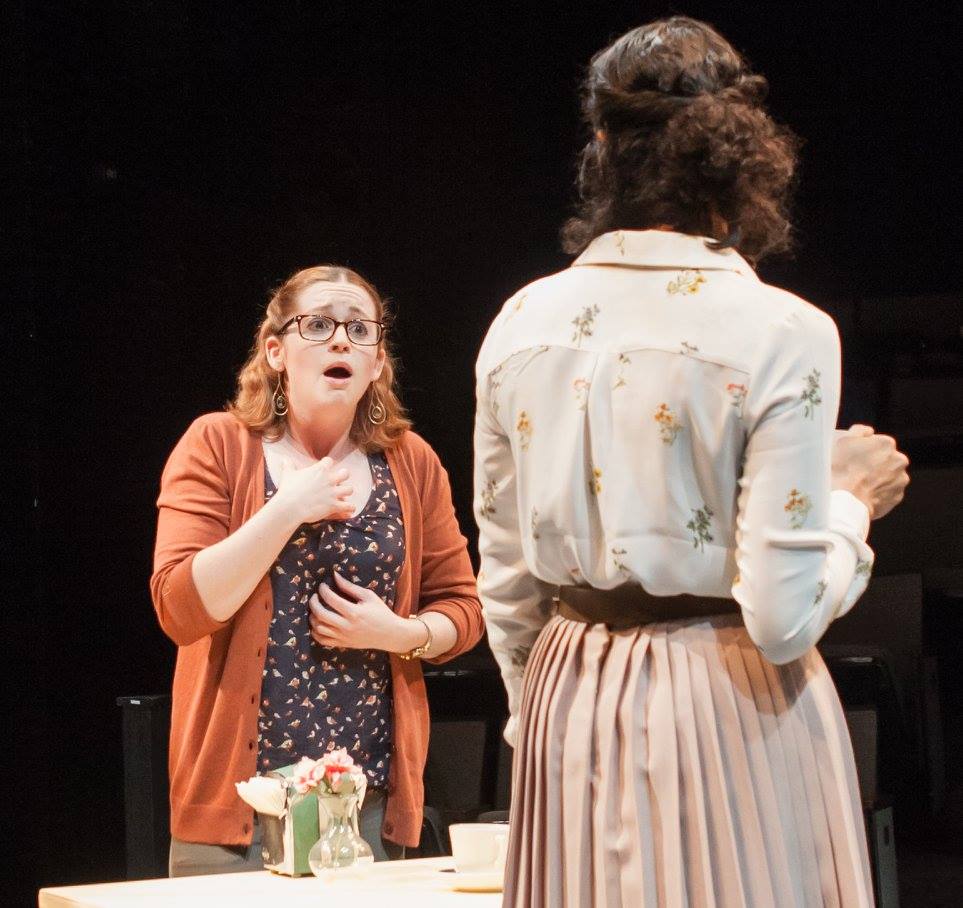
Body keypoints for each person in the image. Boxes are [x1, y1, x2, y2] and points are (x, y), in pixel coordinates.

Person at [474, 17, 910, 907]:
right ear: (740, 156)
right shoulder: (781, 329)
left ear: (601, 148)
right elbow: (781, 617)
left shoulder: (521, 319)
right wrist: (847, 500)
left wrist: (542, 716)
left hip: (566, 693)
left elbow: (508, 580)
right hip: (723, 705)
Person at [152, 264, 483, 876]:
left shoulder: (411, 462)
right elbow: (180, 607)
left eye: (360, 330)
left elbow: (463, 609)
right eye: (320, 325)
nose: (340, 341)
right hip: (239, 810)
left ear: (377, 362)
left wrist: (400, 633)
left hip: (368, 806)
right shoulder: (217, 444)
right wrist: (286, 510)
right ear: (275, 351)